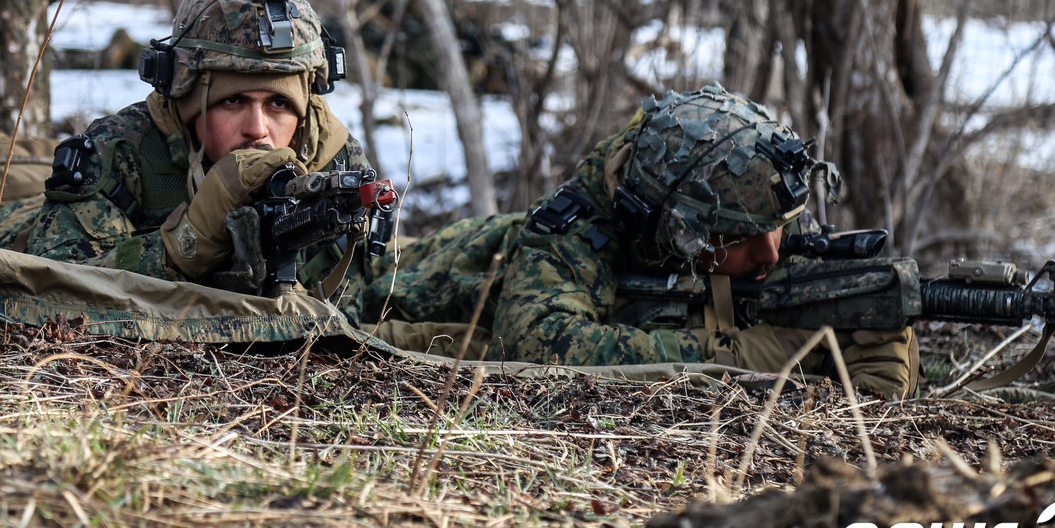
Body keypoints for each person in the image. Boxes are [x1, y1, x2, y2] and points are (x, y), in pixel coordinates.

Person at [361, 84, 919, 398]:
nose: (770, 253)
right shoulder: (570, 234)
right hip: (399, 274)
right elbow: (539, 349)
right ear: (675, 223)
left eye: (775, 226)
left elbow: (802, 281)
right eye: (737, 237)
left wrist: (867, 316)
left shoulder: (750, 197)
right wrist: (728, 356)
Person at [0, 0, 379, 300]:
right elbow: (56, 279)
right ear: (189, 100)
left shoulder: (333, 159)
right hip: (5, 231)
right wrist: (189, 240)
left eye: (279, 105)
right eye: (232, 102)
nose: (257, 128)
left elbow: (358, 300)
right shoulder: (122, 148)